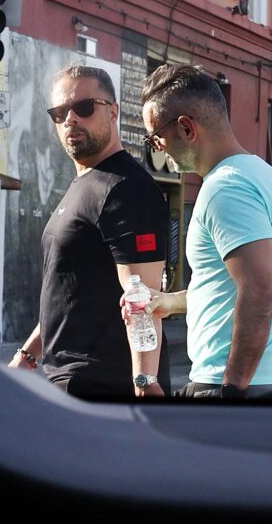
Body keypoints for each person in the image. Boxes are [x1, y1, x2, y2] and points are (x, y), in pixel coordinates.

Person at [122, 63, 272, 398]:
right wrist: (171, 302)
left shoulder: (226, 189)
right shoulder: (266, 176)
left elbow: (259, 291)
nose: (156, 147)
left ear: (186, 128)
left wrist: (232, 390)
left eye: (155, 136)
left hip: (239, 383)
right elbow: (234, 286)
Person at [9, 66, 173, 398]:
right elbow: (70, 291)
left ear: (113, 111)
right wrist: (27, 356)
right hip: (69, 382)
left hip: (107, 386)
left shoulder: (127, 189)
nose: (70, 119)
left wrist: (145, 383)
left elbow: (142, 298)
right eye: (59, 113)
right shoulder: (84, 184)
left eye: (84, 108)